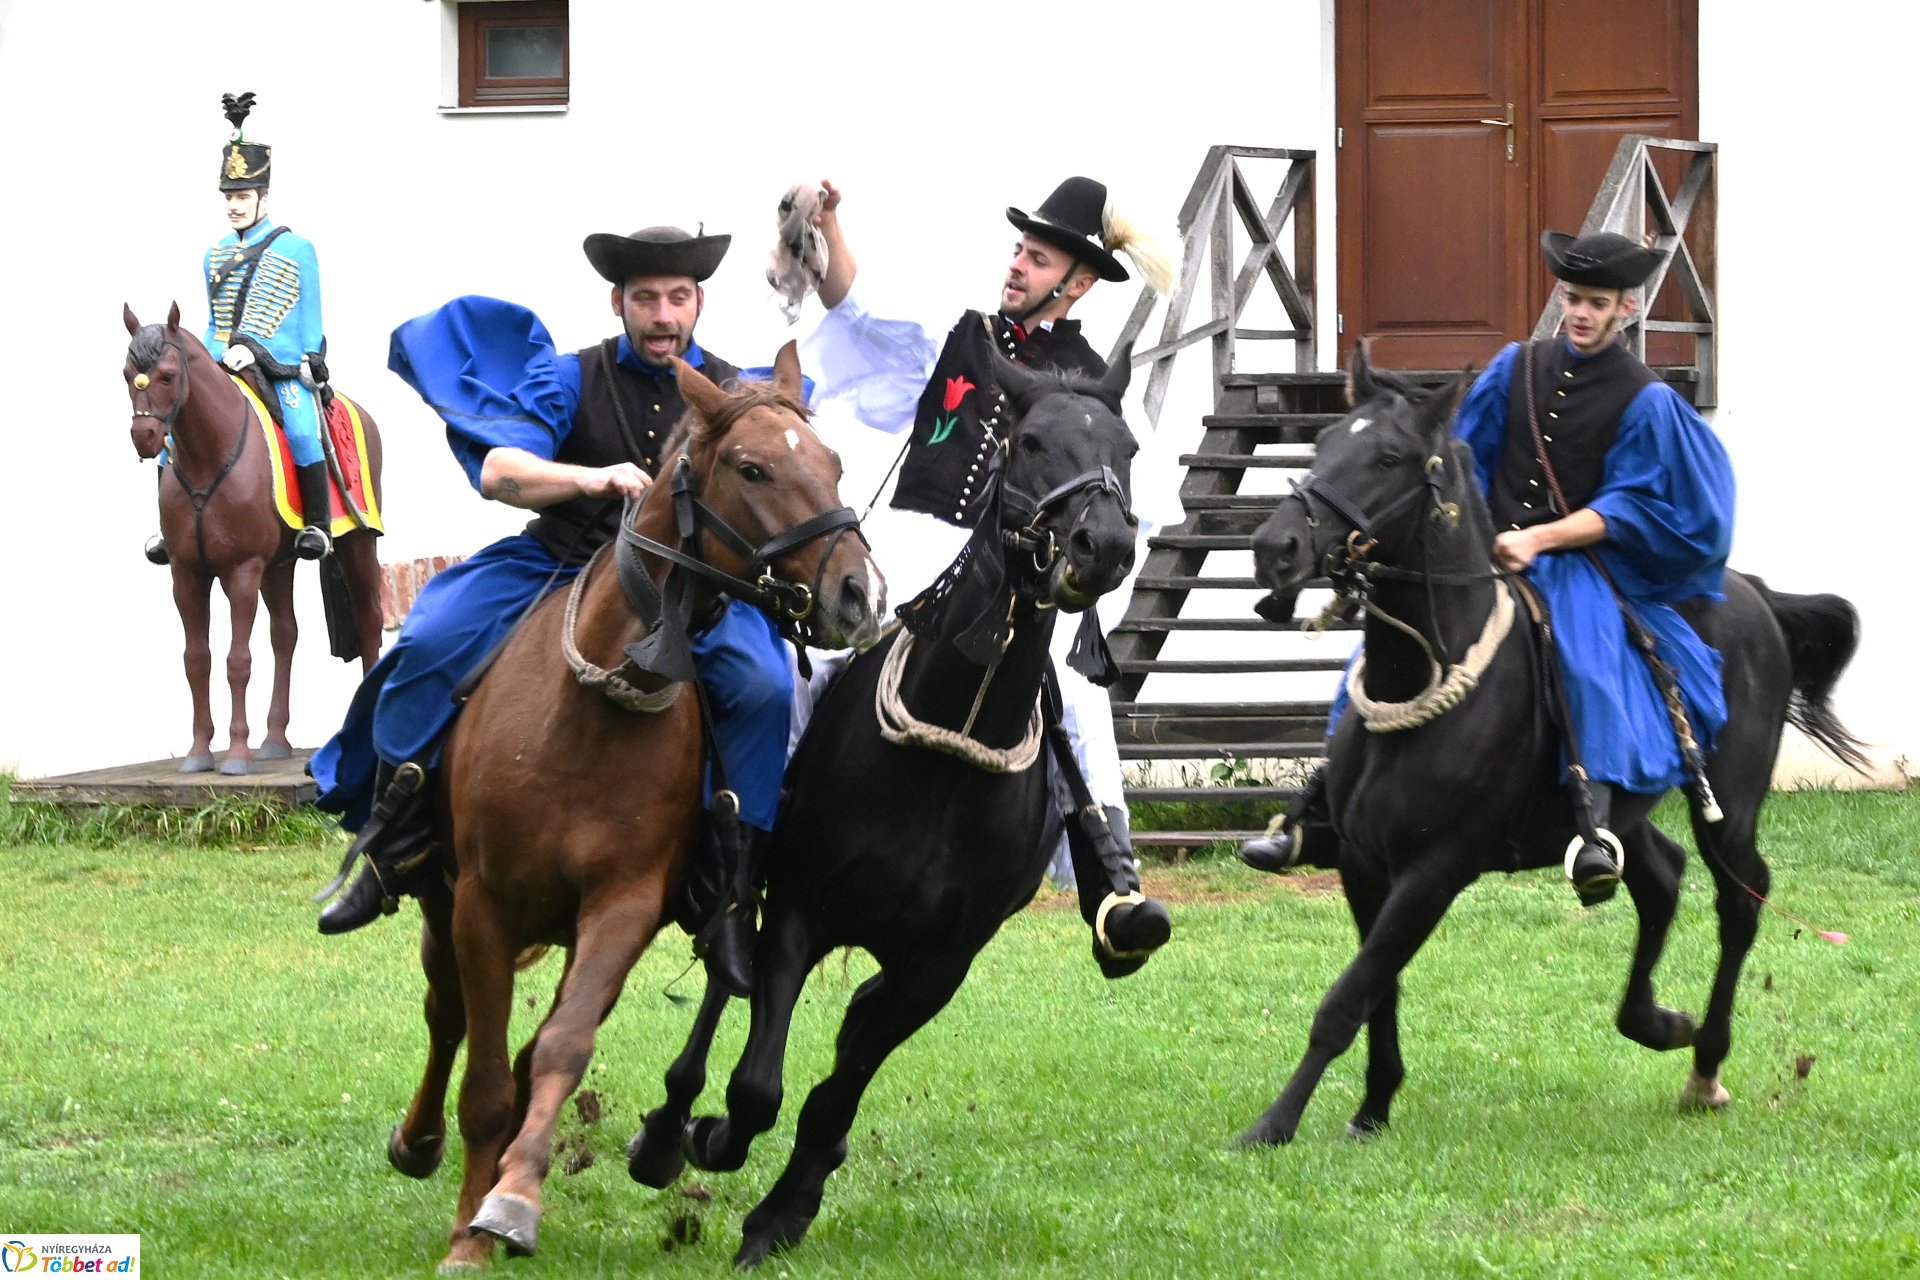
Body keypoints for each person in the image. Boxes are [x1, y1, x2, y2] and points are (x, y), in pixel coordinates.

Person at [310, 226, 794, 993]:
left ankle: (729, 892)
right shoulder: (570, 376)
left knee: (767, 688)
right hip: (559, 560)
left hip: (693, 590)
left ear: (699, 301)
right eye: (645, 299)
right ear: (619, 303)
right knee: (429, 639)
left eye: (677, 297)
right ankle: (392, 844)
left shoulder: (735, 390)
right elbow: (501, 473)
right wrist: (591, 479)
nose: (662, 314)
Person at [1240, 229, 1735, 904]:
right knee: (1376, 659)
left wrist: (1540, 540)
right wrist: (1464, 535)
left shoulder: (1647, 401)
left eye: (1596, 302)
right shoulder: (1516, 367)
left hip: (1575, 565)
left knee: (1582, 657)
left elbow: (1636, 504)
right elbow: (1462, 456)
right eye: (1571, 298)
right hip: (1482, 555)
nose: (1580, 314)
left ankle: (1593, 824)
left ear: (1628, 306)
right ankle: (1321, 809)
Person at [797, 176, 1176, 974]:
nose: (1018, 266)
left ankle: (1111, 892)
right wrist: (828, 226)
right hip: (916, 538)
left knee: (1078, 698)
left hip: (1021, 572)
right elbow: (856, 313)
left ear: (1076, 282)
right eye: (1018, 250)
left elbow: (1111, 490)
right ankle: (763, 831)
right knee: (819, 653)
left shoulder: (1091, 381)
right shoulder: (960, 333)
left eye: (1037, 259)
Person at [149, 91, 331, 565]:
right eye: (229, 197)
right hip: (222, 361)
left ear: (263, 198)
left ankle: (317, 526)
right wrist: (211, 358)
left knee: (303, 431)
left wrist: (293, 357)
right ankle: (168, 529)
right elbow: (215, 319)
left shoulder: (297, 249)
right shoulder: (213, 254)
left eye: (242, 196)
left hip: (281, 366)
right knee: (173, 434)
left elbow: (309, 318)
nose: (233, 206)